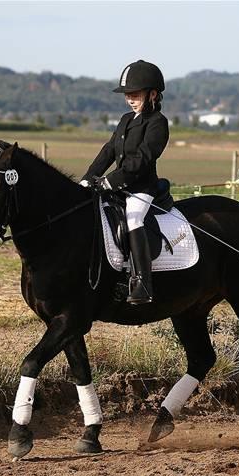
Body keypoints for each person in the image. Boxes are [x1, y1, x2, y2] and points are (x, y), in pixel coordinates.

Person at [80, 60, 169, 305]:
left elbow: (143, 159)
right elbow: (109, 151)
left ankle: (143, 283)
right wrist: (88, 180)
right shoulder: (125, 119)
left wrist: (111, 181)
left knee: (133, 219)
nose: (130, 99)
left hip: (142, 188)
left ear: (152, 94)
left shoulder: (158, 123)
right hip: (118, 186)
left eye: (135, 94)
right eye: (127, 94)